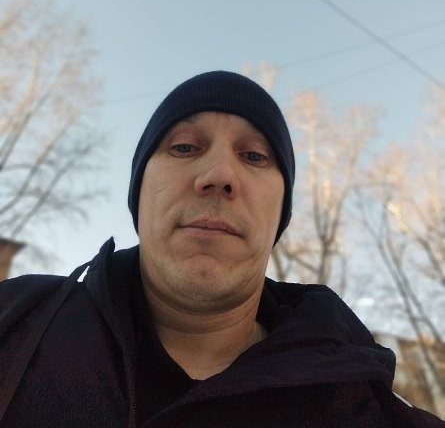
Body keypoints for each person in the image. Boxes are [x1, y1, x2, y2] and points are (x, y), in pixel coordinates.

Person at [0, 70, 443, 428]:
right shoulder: (16, 317)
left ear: (280, 213)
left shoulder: (367, 406)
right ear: (139, 192)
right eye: (184, 146)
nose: (219, 175)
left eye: (254, 156)